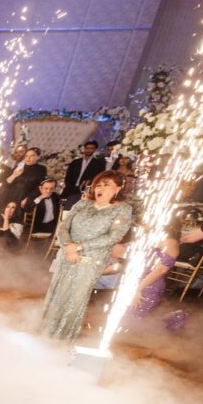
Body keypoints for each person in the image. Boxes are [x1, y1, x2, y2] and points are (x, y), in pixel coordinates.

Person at [39, 171, 134, 340]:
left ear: (118, 189)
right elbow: (63, 227)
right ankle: (45, 331)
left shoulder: (123, 209)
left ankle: (63, 337)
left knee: (75, 297)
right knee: (57, 291)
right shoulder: (82, 204)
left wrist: (80, 247)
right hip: (67, 254)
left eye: (106, 185)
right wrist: (68, 246)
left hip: (91, 260)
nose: (100, 189)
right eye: (98, 185)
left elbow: (114, 236)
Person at [63, 141, 105, 206]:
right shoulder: (75, 162)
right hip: (70, 189)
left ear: (95, 149)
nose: (89, 150)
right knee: (64, 206)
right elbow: (68, 176)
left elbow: (98, 178)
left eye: (91, 148)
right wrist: (69, 187)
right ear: (84, 149)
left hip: (85, 190)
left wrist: (88, 184)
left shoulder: (99, 164)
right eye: (87, 148)